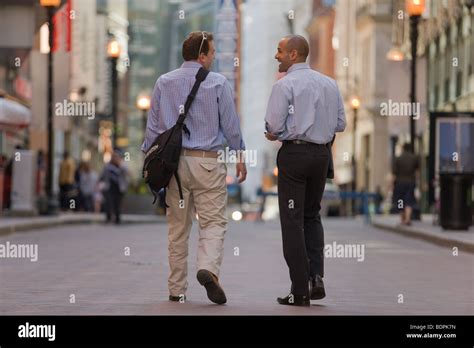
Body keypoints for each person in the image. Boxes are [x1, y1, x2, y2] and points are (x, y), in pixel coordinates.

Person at [141, 31, 247, 305]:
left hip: (172, 164)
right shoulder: (218, 84)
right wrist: (240, 155)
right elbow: (231, 126)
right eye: (211, 53)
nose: (213, 57)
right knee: (212, 221)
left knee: (177, 228)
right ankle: (208, 268)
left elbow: (153, 128)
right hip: (207, 161)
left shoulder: (164, 82)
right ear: (202, 55)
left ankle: (176, 290)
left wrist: (148, 161)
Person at [264, 35, 346, 306]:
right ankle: (316, 277)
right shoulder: (329, 84)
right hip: (321, 156)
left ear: (294, 54)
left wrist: (277, 132)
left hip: (295, 156)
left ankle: (299, 290)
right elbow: (341, 124)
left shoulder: (284, 85)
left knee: (291, 220)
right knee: (312, 215)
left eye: (280, 51)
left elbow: (273, 127)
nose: (276, 55)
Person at [392, 143, 419, 226]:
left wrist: (391, 184)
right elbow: (417, 172)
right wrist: (418, 182)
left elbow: (394, 173)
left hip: (400, 182)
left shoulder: (398, 158)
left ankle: (402, 218)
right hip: (410, 182)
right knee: (409, 200)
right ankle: (407, 218)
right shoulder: (414, 158)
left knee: (400, 201)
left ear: (403, 148)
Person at [100, 150, 129, 224]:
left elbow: (127, 174)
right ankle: (108, 217)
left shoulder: (122, 166)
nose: (115, 158)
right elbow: (102, 176)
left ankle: (117, 218)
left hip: (119, 188)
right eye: (114, 157)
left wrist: (120, 164)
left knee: (117, 203)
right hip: (109, 187)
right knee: (108, 203)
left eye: (116, 157)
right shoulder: (108, 166)